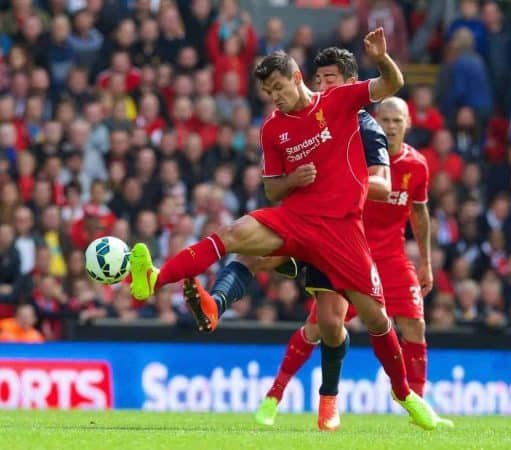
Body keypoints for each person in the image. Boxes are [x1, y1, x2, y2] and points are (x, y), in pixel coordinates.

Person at [129, 29, 447, 431]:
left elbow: (393, 84)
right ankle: (153, 280)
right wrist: (293, 179)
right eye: (268, 92)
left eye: (279, 87)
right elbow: (271, 187)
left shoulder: (340, 102)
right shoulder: (272, 129)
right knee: (232, 234)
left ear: (297, 78)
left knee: (375, 320)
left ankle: (403, 394)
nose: (275, 97)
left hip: (342, 231)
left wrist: (382, 58)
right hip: (296, 221)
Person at [254, 96, 433, 426]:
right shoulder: (356, 155)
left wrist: (426, 262)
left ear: (409, 124)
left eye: (398, 120)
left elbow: (419, 213)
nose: (392, 127)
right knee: (319, 327)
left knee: (415, 325)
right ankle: (274, 395)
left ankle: (416, 407)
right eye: (386, 120)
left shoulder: (417, 166)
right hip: (353, 252)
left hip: (393, 257)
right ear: (377, 122)